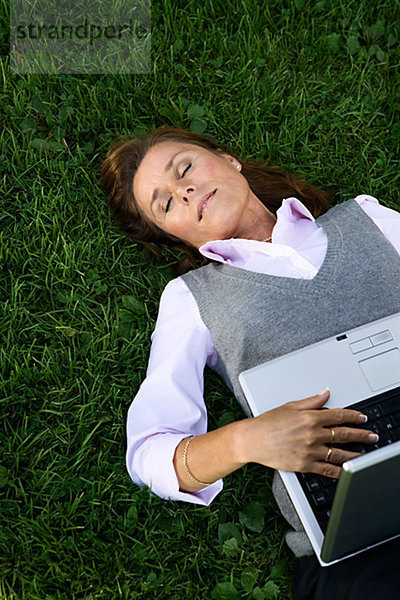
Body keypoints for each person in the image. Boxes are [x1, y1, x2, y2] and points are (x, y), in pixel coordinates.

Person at [101, 126, 400, 599]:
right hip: (362, 545)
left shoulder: (366, 218)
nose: (185, 191)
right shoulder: (192, 299)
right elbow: (148, 453)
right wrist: (246, 440)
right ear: (173, 234)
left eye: (186, 169)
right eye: (166, 204)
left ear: (230, 159)